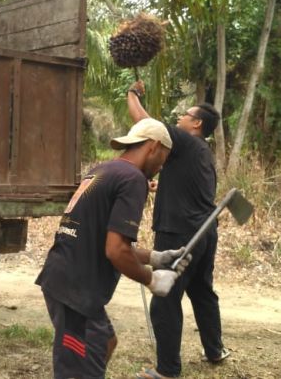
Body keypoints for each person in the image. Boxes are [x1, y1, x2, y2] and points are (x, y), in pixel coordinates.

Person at [36, 118, 192, 379]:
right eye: (164, 158)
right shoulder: (133, 179)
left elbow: (105, 239)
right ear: (153, 147)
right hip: (76, 287)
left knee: (105, 342)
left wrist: (155, 257)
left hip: (63, 278)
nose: (162, 166)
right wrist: (151, 278)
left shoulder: (104, 170)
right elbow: (115, 251)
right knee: (84, 360)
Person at [126, 81, 228, 379]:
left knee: (165, 299)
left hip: (180, 234)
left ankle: (167, 371)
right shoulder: (201, 153)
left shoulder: (183, 141)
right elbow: (192, 189)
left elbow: (146, 126)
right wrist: (162, 186)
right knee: (202, 291)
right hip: (205, 233)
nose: (180, 117)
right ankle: (215, 350)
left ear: (196, 124)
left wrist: (132, 94)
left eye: (185, 114)